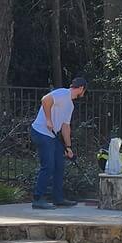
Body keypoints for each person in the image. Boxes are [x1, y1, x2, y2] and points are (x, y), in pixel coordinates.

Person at [29, 75, 86, 209]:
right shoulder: (63, 93)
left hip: (51, 135)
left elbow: (65, 127)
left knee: (59, 165)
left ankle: (58, 198)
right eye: (84, 91)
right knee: (48, 165)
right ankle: (38, 199)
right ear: (81, 88)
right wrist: (48, 120)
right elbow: (45, 100)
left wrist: (68, 147)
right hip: (41, 132)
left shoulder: (70, 105)